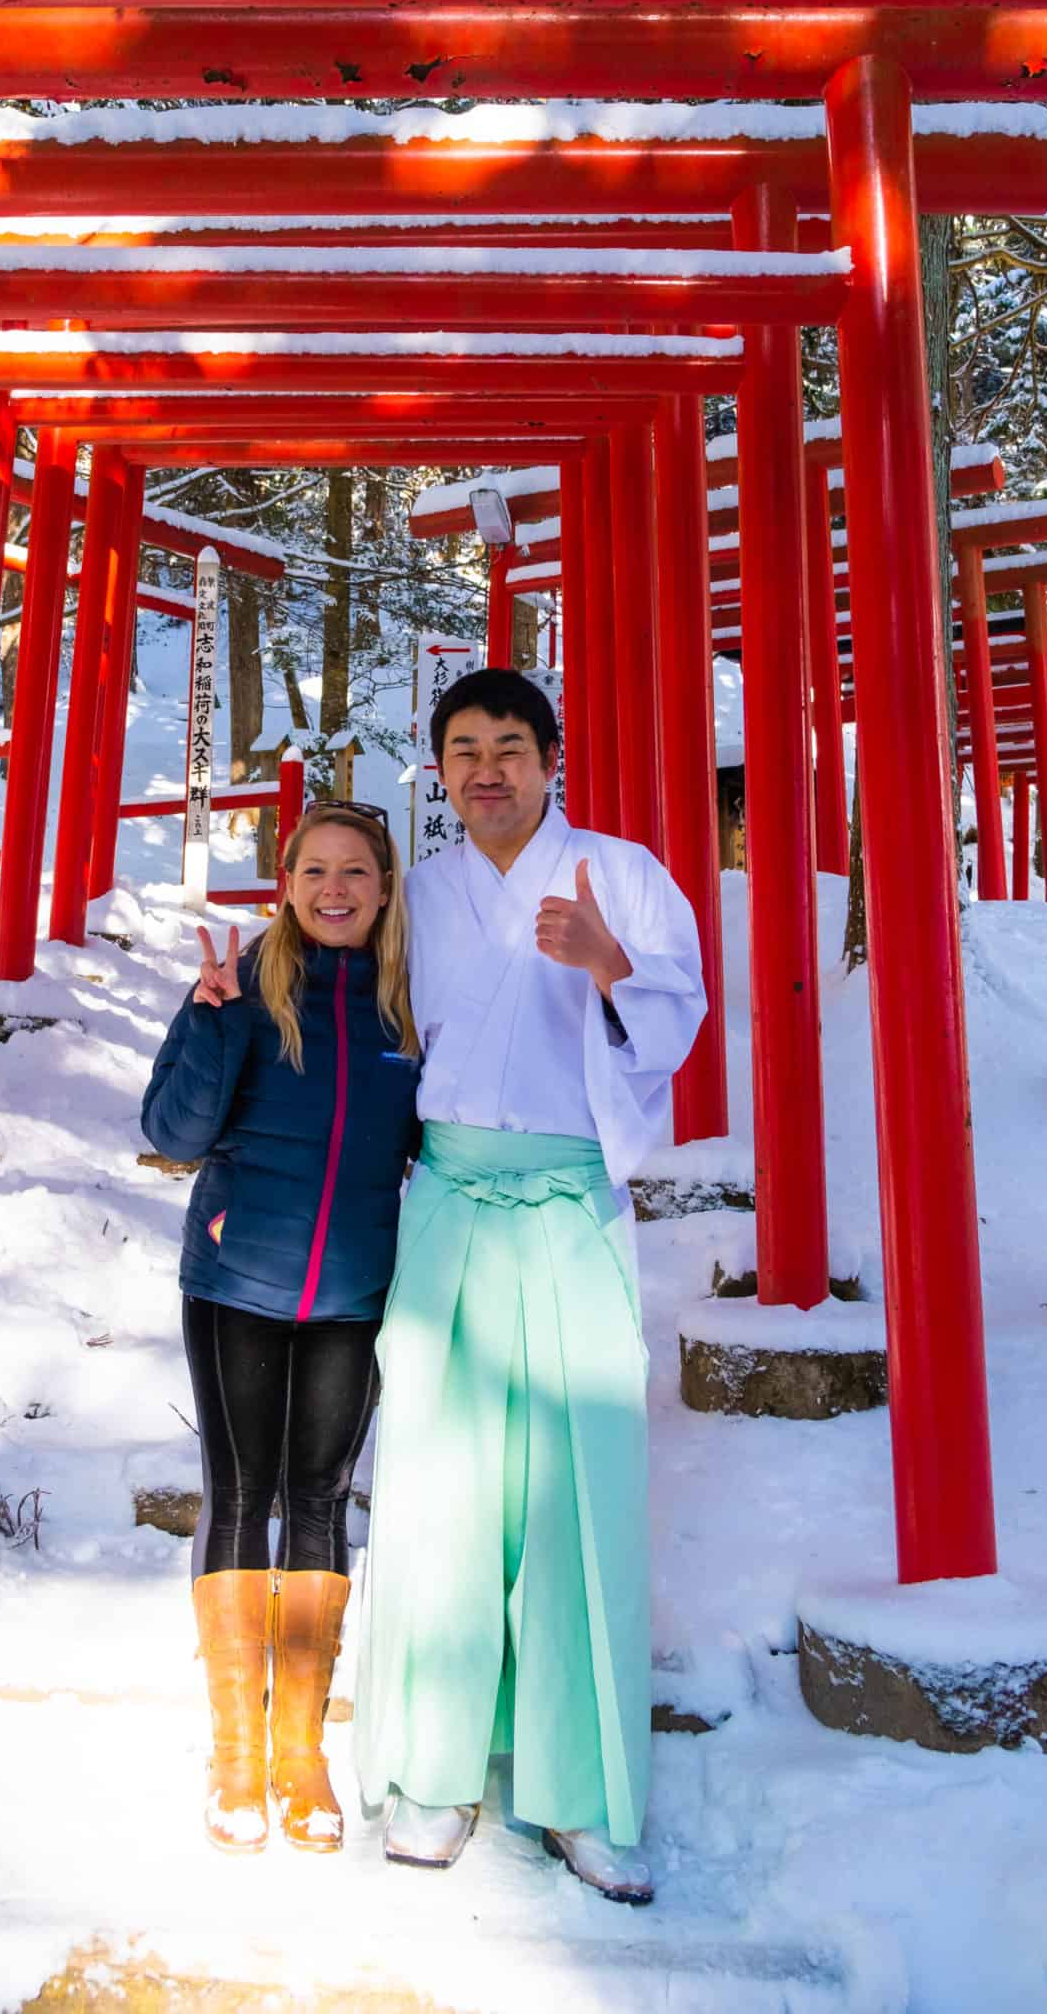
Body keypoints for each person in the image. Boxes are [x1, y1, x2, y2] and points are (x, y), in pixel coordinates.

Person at [355, 667, 706, 1906]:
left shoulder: (622, 874)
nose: (487, 767)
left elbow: (678, 1023)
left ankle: (584, 1795)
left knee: (578, 1498)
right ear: (439, 770)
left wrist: (613, 963)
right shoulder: (424, 895)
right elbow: (366, 1025)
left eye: (511, 744)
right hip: (449, 1203)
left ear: (552, 760)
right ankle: (433, 1773)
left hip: (565, 1211)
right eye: (464, 748)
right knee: (439, 1491)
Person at [142, 801, 421, 1857]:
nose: (335, 888)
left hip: (353, 1292)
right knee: (242, 1492)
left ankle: (299, 1750)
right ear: (287, 882)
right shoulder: (245, 991)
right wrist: (208, 1016)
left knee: (318, 1499)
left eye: (356, 871)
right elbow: (170, 1131)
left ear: (385, 887)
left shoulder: (405, 1011)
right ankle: (234, 1752)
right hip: (234, 1280)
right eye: (314, 870)